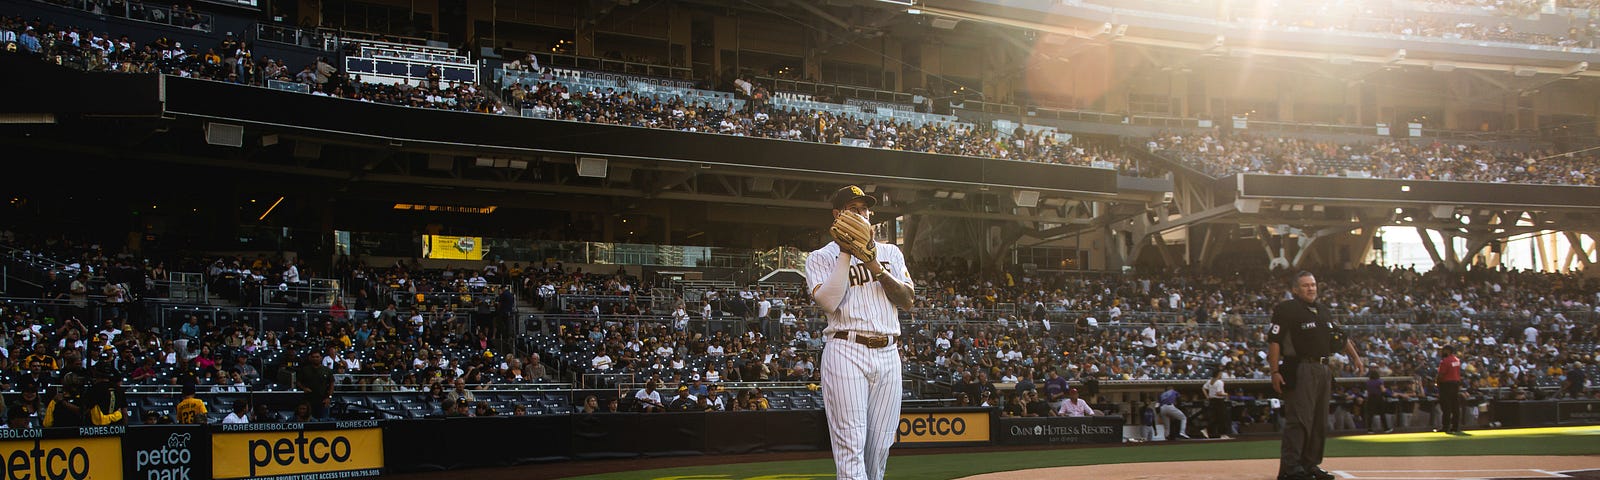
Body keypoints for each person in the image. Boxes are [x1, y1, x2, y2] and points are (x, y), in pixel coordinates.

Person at [806, 185, 915, 480]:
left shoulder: (891, 251)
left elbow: (907, 300)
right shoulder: (820, 257)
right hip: (846, 347)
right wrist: (845, 252)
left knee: (879, 449)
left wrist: (872, 262)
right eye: (852, 209)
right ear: (837, 215)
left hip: (889, 352)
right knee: (850, 446)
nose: (860, 214)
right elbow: (829, 302)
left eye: (864, 209)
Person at [1269, 271, 1364, 480]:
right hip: (1301, 366)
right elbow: (1274, 341)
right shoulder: (1286, 309)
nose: (1311, 288)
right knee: (1300, 419)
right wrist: (1274, 371)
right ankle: (1290, 468)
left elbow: (1340, 336)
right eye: (1305, 285)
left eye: (1313, 284)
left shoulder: (1322, 311)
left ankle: (1310, 464)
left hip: (1323, 368)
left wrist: (1355, 358)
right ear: (1295, 289)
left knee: (1319, 421)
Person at [1437, 345, 1462, 433]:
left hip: (1446, 385)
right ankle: (1455, 426)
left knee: (1446, 407)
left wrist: (1437, 383)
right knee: (1455, 406)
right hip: (1455, 384)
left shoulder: (1445, 361)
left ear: (1447, 351)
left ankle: (1446, 426)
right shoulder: (1457, 360)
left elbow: (1441, 374)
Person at [1204, 370, 1232, 439]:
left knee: (1215, 418)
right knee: (1222, 417)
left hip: (1212, 401)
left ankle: (1207, 430)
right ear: (1218, 374)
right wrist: (1226, 394)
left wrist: (1207, 396)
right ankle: (1223, 434)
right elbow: (1218, 393)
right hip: (1218, 401)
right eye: (1221, 374)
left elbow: (1203, 388)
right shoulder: (1219, 382)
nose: (1221, 375)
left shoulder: (1210, 381)